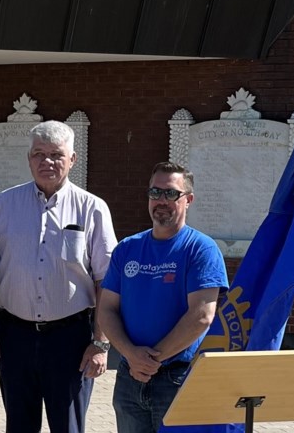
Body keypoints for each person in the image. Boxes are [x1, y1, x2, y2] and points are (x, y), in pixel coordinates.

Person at [0, 120, 118, 433]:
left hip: (70, 340)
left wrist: (100, 343)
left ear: (72, 159)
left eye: (56, 155)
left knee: (67, 427)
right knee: (19, 425)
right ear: (29, 159)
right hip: (15, 336)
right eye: (38, 154)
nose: (47, 162)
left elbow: (106, 282)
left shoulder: (92, 208)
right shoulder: (4, 204)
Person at [97, 162, 228, 433]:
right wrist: (132, 356)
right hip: (129, 377)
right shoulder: (127, 249)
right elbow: (107, 310)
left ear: (188, 199)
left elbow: (202, 316)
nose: (161, 201)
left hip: (177, 378)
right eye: (155, 192)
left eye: (171, 194)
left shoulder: (201, 249)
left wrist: (150, 361)